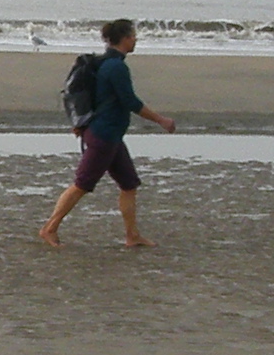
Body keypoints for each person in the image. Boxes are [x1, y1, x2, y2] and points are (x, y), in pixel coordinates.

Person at [38, 19, 178, 248]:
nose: (135, 40)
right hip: (103, 136)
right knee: (82, 185)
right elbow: (131, 102)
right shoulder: (115, 67)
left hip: (111, 136)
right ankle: (49, 228)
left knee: (129, 184)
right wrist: (161, 120)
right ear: (124, 38)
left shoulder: (105, 63)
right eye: (133, 36)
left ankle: (132, 236)